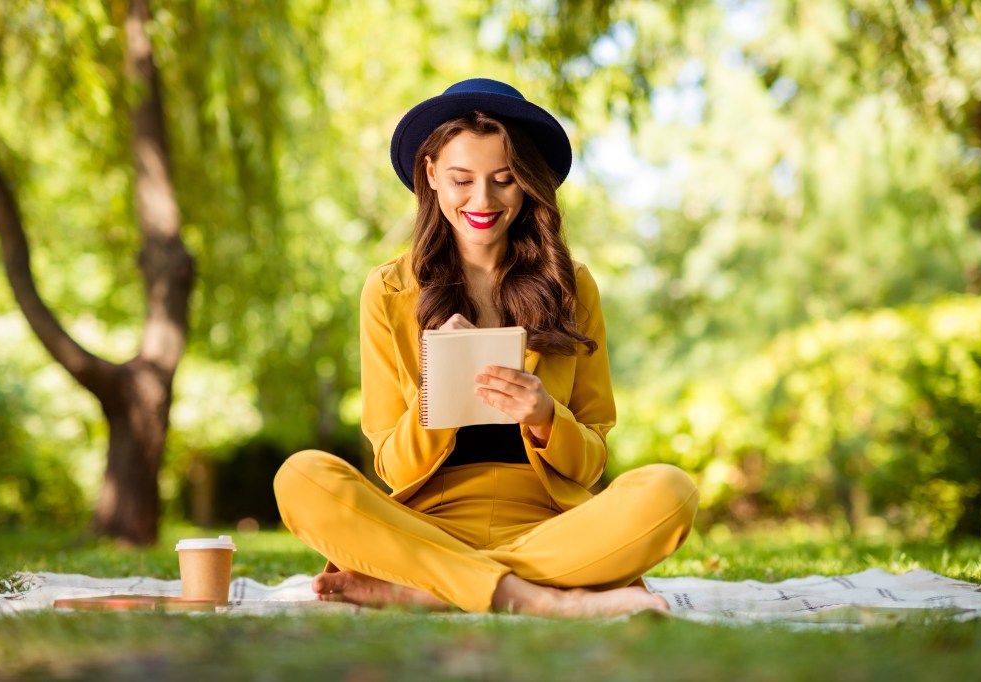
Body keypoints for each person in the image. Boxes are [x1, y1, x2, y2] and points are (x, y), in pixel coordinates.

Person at [273, 78, 698, 618]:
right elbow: (394, 470)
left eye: (504, 179)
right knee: (302, 477)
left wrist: (546, 416)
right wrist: (438, 390)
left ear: (527, 184)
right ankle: (535, 596)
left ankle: (428, 587)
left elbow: (591, 463)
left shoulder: (573, 285)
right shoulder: (388, 291)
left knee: (671, 490)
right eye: (461, 180)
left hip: (547, 524)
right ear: (431, 176)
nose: (483, 200)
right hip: (427, 522)